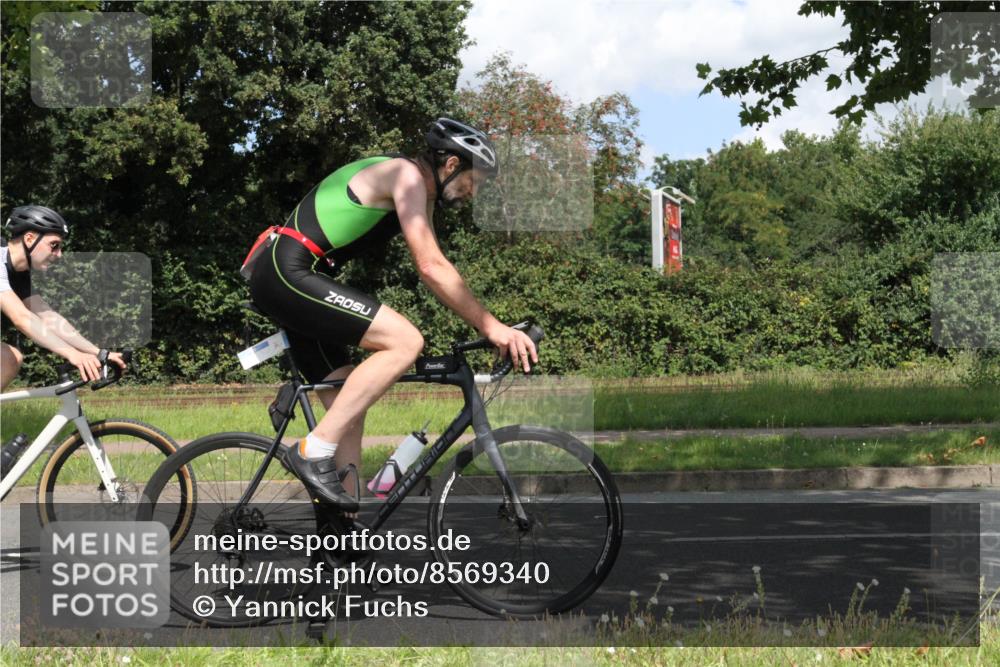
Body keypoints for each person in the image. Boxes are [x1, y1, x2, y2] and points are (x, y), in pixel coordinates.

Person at [248, 118, 538, 510]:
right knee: (405, 341)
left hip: (296, 276)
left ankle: (342, 540)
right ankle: (310, 451)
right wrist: (493, 327)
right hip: (288, 271)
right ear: (451, 164)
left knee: (348, 407)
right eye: (475, 180)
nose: (474, 192)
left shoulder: (420, 192)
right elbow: (430, 267)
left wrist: (487, 324)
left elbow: (440, 267)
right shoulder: (406, 176)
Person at [0, 205, 126, 392]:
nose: (59, 254)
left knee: (8, 359)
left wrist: (97, 352)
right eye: (54, 245)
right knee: (10, 358)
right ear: (29, 239)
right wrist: (72, 354)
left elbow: (49, 317)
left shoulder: (18, 273)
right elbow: (22, 318)